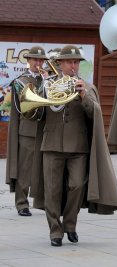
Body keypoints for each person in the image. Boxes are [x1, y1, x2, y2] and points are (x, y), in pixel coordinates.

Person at [36, 45, 117, 247]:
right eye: (69, 62)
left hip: (78, 146)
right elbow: (35, 114)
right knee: (52, 190)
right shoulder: (47, 86)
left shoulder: (88, 87)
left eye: (76, 62)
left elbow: (96, 114)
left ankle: (70, 224)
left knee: (76, 186)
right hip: (52, 144)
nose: (73, 65)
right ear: (60, 64)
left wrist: (84, 96)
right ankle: (55, 231)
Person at [5, 46, 48, 217]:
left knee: (46, 168)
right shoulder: (20, 81)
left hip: (46, 130)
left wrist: (47, 82)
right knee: (25, 169)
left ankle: (43, 201)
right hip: (28, 131)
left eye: (41, 60)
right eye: (35, 60)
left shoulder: (49, 79)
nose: (38, 63)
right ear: (28, 61)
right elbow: (18, 111)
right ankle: (22, 203)